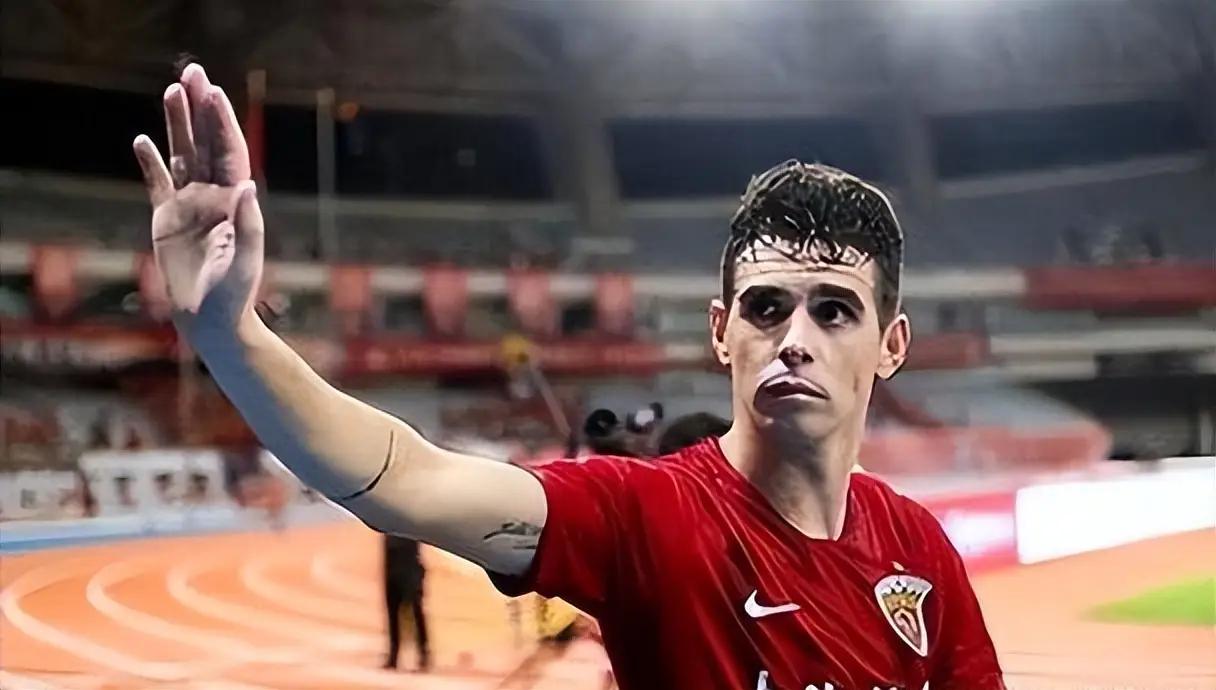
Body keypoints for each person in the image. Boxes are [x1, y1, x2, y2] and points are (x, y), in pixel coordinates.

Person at [133, 63, 1003, 690]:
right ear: (721, 331)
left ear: (891, 344)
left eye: (835, 311)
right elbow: (407, 480)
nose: (795, 340)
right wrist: (230, 336)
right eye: (767, 308)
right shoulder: (644, 513)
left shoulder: (920, 550)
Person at [382, 534, 431, 671]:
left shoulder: (407, 530)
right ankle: (394, 655)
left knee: (416, 613)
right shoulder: (390, 530)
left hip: (409, 572)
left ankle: (423, 654)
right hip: (394, 571)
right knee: (393, 613)